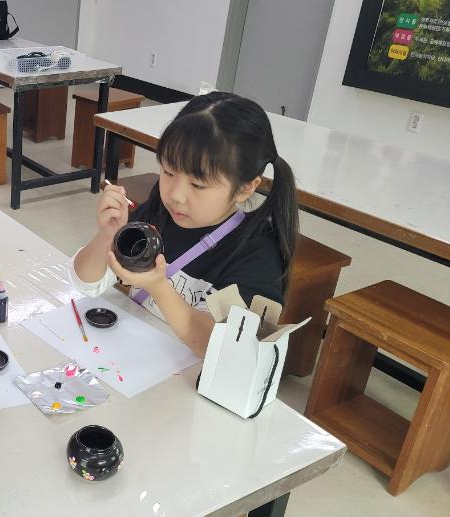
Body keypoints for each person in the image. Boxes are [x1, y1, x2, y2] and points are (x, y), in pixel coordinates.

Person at [71, 92, 298, 357]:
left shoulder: (257, 253)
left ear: (245, 188)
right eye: (168, 171)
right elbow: (86, 282)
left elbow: (222, 347)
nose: (175, 195)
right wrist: (106, 236)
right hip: (135, 356)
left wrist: (158, 287)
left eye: (198, 185)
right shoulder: (156, 214)